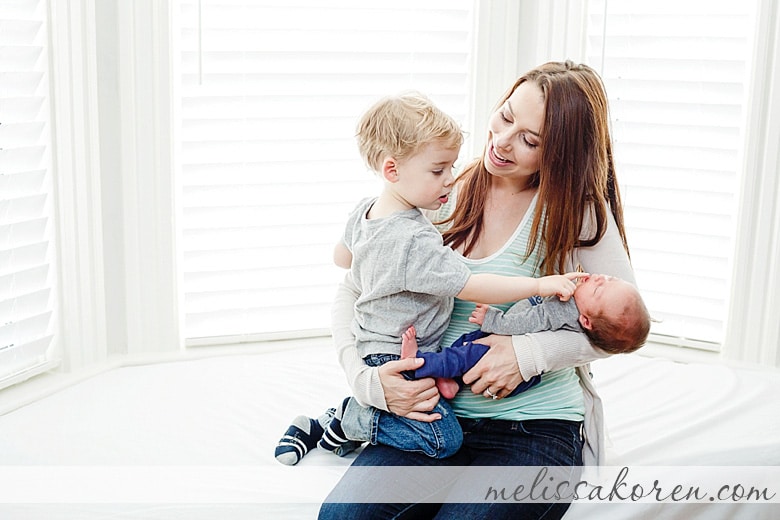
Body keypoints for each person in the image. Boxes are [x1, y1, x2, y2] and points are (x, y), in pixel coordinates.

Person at [318, 60, 639, 520]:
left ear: (561, 154)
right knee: (343, 517)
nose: (503, 142)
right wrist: (364, 379)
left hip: (534, 428)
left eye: (530, 140)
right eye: (506, 116)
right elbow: (355, 287)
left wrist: (526, 354)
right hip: (434, 414)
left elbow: (621, 327)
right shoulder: (442, 187)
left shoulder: (580, 212)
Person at [274, 92, 583, 466]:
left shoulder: (366, 211)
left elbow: (342, 258)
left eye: (529, 139)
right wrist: (539, 286)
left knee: (447, 392)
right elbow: (472, 284)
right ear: (393, 170)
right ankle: (349, 418)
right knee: (442, 439)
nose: (450, 180)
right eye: (439, 171)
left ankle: (344, 423)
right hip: (396, 356)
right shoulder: (415, 239)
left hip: (396, 350)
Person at [406, 272, 651, 399]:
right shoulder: (580, 307)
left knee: (463, 354)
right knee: (463, 350)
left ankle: (417, 365)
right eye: (609, 278)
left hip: (499, 351)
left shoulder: (563, 310)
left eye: (599, 288)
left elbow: (529, 321)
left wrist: (493, 319)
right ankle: (452, 383)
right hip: (515, 373)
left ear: (586, 321)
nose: (599, 277)